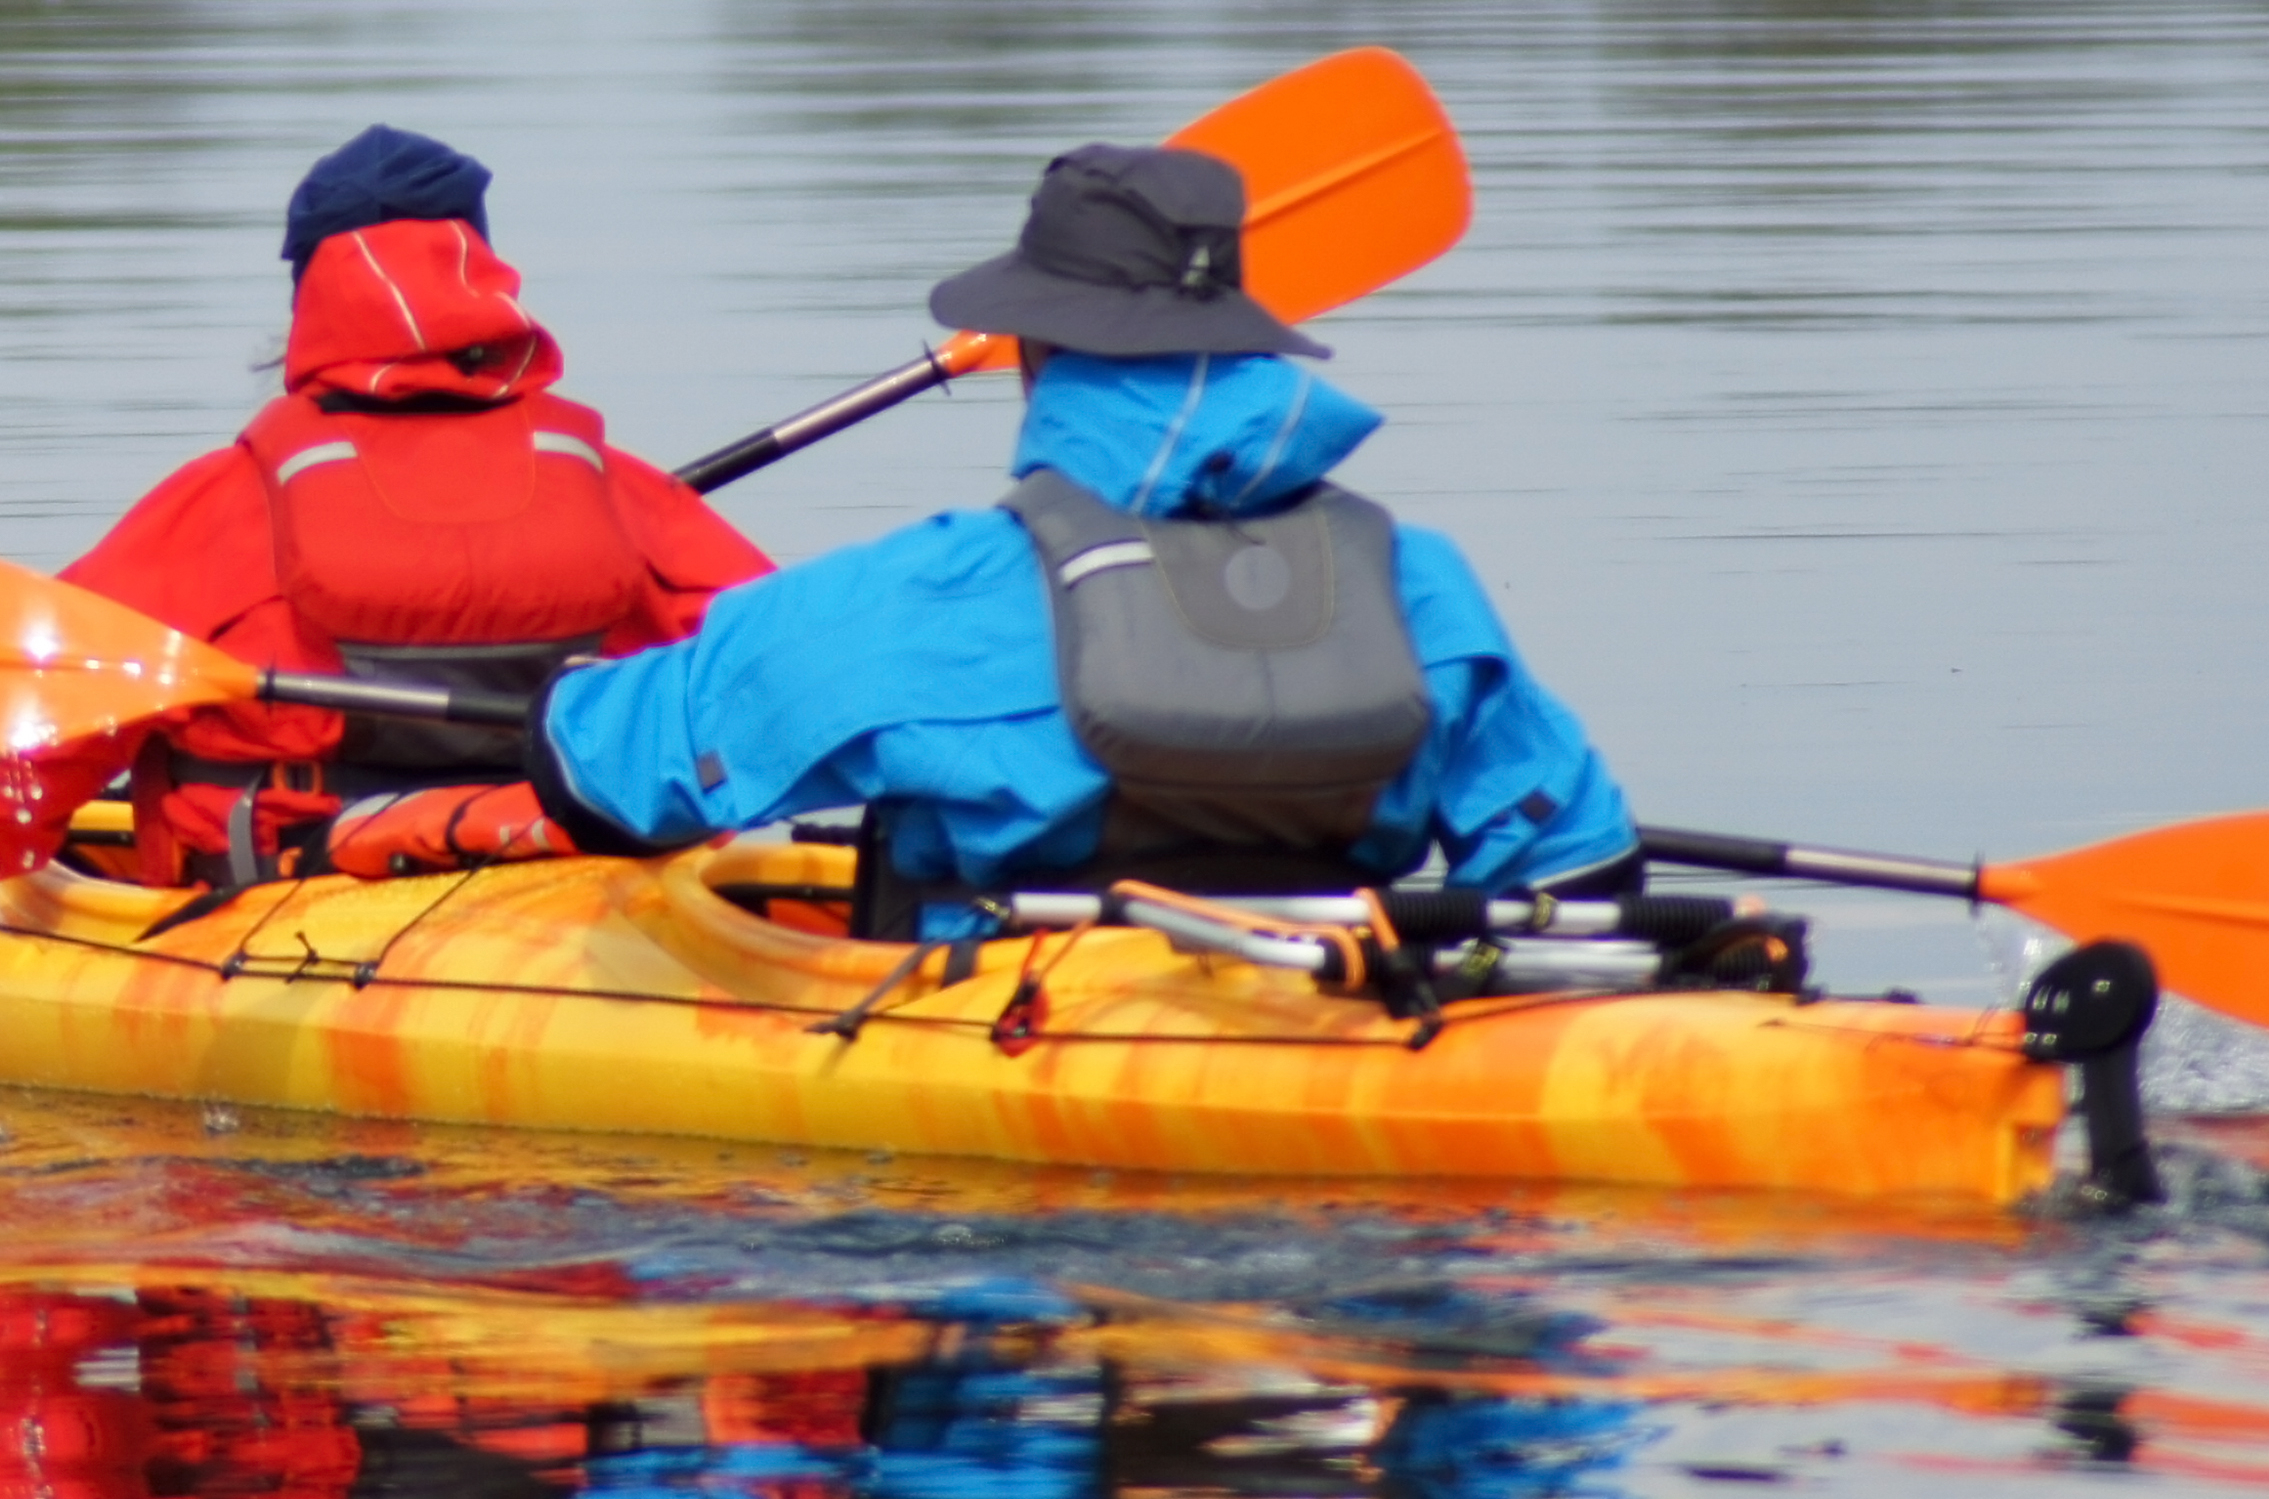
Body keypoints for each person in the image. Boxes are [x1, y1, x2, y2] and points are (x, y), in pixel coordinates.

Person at [528, 142, 1631, 924]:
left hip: (1013, 1085)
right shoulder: (1420, 586)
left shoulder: (926, 593)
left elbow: (607, 776)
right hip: (1343, 1030)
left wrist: (569, 671)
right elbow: (1583, 870)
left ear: (1037, 355)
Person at [0, 126, 770, 915]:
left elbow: (10, 779)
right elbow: (787, 677)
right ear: (486, 276)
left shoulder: (224, 515)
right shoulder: (621, 494)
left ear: (310, 300)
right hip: (585, 887)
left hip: (293, 909)